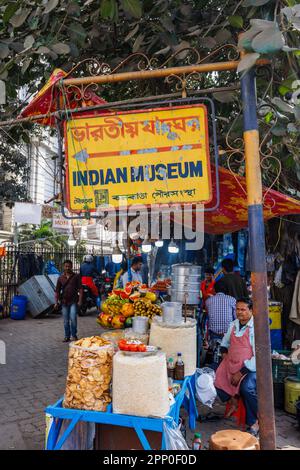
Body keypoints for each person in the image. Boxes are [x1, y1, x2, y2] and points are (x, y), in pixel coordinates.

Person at [214, 298, 259, 437]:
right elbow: (224, 343)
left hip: (250, 367)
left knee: (247, 388)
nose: (239, 312)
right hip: (231, 363)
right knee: (216, 380)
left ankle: (255, 422)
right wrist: (225, 355)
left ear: (251, 311)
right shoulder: (233, 324)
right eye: (237, 309)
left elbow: (259, 356)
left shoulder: (255, 328)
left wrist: (242, 371)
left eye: (243, 309)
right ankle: (233, 401)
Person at [55, 260, 83, 343]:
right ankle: (67, 336)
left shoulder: (76, 276)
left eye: (69, 266)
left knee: (73, 318)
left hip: (74, 301)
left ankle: (74, 335)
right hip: (64, 302)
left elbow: (80, 289)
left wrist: (80, 301)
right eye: (66, 266)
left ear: (71, 267)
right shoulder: (60, 278)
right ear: (64, 267)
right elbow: (57, 291)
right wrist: (56, 302)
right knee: (65, 320)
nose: (67, 268)